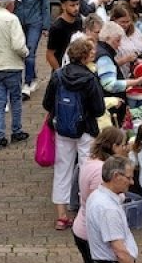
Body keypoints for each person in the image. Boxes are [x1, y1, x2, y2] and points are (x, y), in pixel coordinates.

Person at [43, 38, 106, 230]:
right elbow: (98, 109)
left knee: (62, 169)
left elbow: (47, 103)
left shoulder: (58, 76)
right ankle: (85, 211)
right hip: (86, 128)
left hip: (62, 128)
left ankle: (61, 215)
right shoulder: (89, 78)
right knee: (87, 169)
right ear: (85, 57)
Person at [72, 128, 129, 263]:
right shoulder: (101, 170)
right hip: (91, 235)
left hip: (82, 228)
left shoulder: (92, 162)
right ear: (113, 146)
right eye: (123, 144)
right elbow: (102, 206)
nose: (125, 148)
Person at [0, 0, 29, 149]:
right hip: (12, 65)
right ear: (10, 3)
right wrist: (26, 53)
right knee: (15, 99)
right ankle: (16, 130)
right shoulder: (12, 19)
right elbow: (18, 45)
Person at [8, 0, 50, 95]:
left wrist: (45, 25)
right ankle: (33, 77)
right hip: (18, 23)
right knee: (20, 52)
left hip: (34, 22)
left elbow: (45, 4)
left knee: (30, 52)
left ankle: (26, 83)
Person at [45, 0, 85, 75]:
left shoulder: (78, 20)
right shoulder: (57, 27)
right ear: (63, 6)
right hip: (62, 68)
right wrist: (59, 72)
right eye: (72, 5)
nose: (76, 8)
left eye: (77, 4)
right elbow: (49, 54)